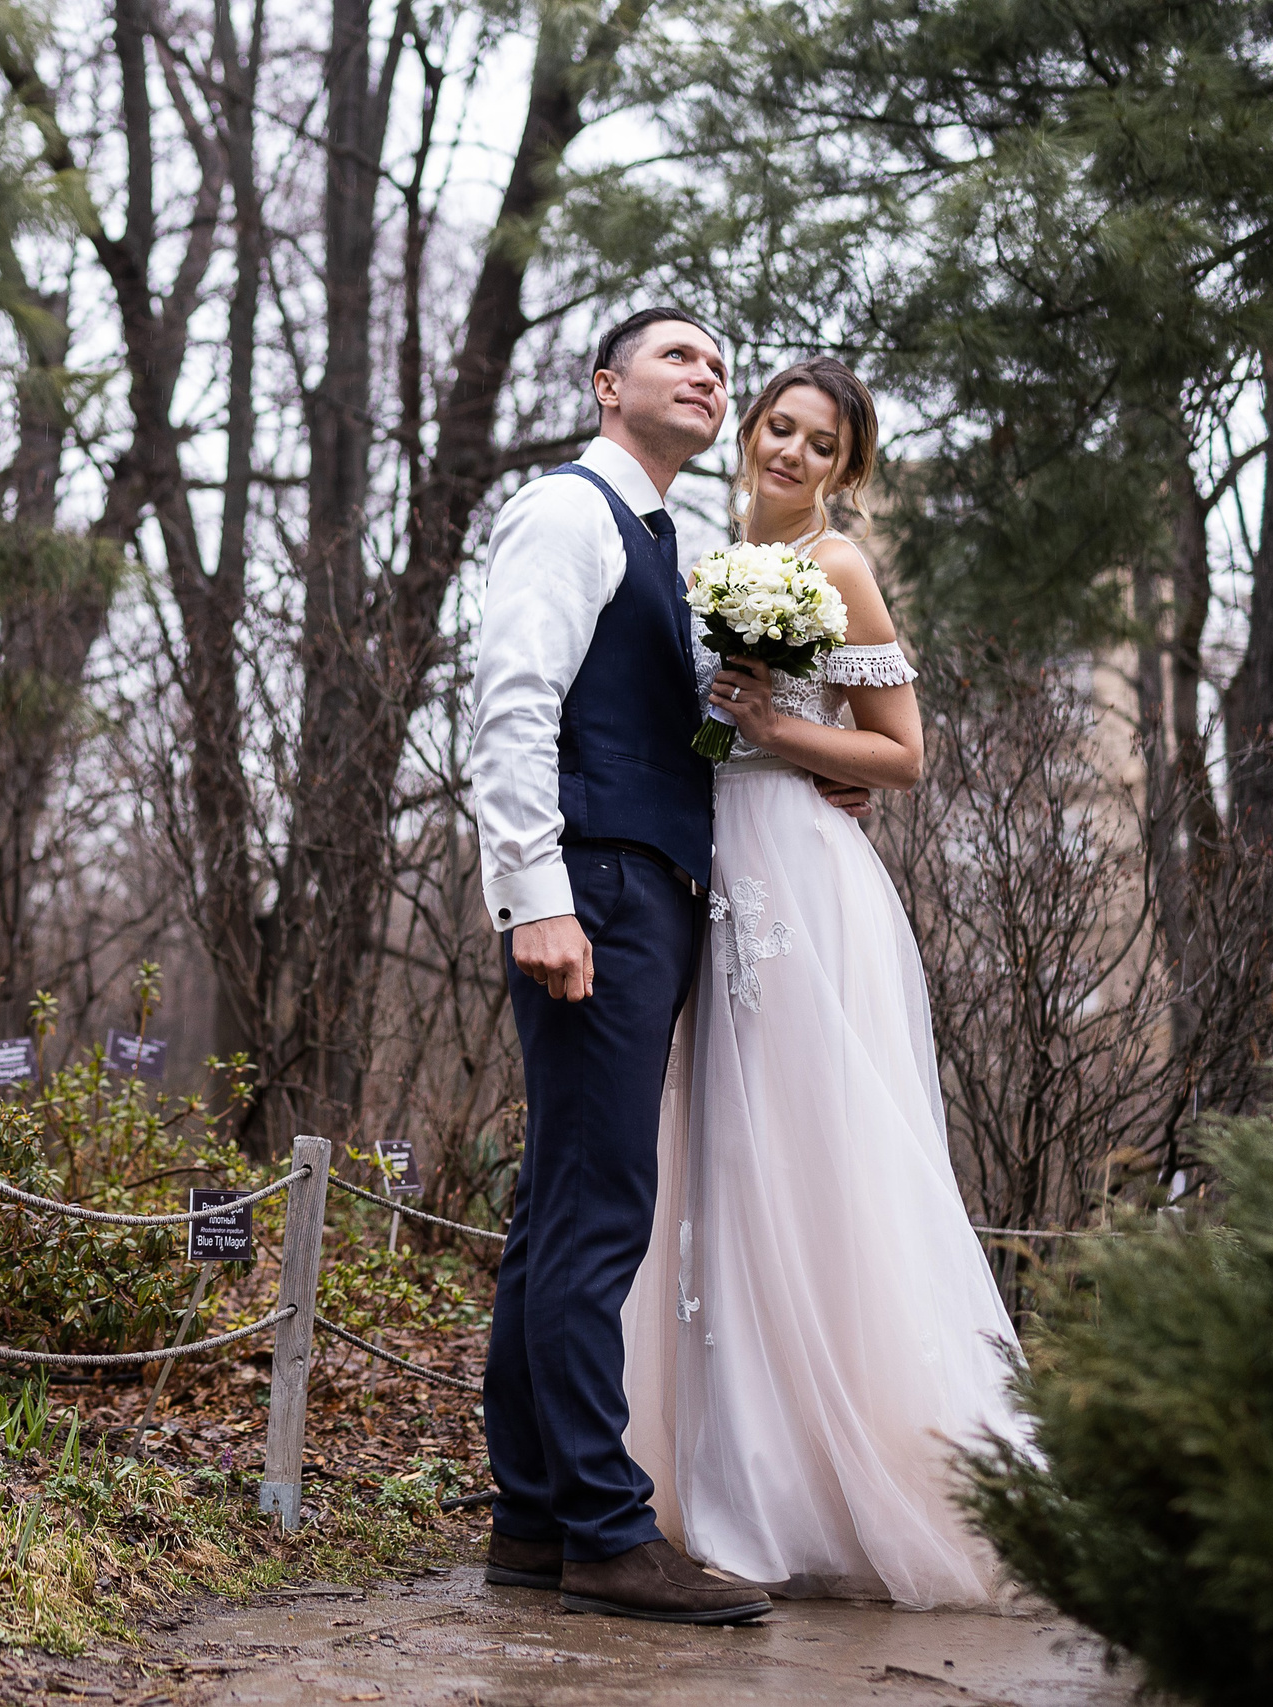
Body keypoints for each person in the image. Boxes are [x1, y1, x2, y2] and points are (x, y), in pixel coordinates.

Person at [620, 357, 1028, 1610]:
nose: (788, 453)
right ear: (750, 436)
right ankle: (725, 1471)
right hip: (709, 868)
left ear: (845, 467)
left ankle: (837, 1481)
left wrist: (782, 736)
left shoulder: (836, 568)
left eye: (817, 442)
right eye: (776, 429)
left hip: (800, 880)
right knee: (718, 1164)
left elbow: (900, 755)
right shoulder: (698, 560)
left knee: (808, 1156)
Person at [469, 308, 795, 1624]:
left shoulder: (666, 542)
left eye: (721, 364)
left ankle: (535, 1518)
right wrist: (536, 891)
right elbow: (511, 698)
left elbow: (648, 729)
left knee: (557, 1213)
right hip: (593, 888)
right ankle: (609, 1528)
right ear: (609, 386)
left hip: (635, 881)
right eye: (681, 358)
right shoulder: (571, 511)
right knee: (597, 1213)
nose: (710, 375)